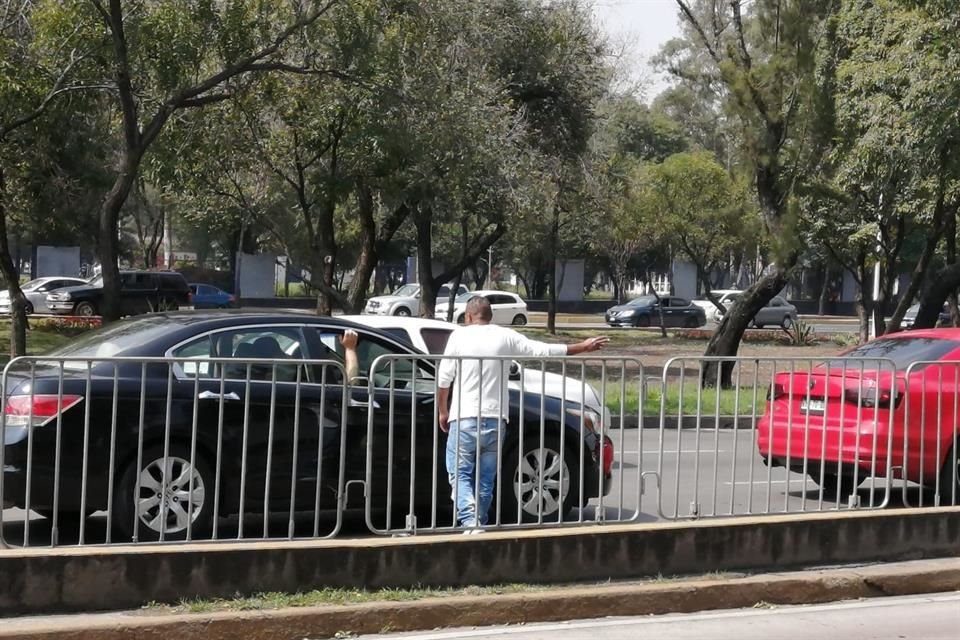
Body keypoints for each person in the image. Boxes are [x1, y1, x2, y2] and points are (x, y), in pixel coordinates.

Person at [436, 297, 608, 532]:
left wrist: (442, 411)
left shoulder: (459, 336)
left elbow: (444, 378)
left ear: (468, 316)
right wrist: (582, 346)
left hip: (464, 417)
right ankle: (477, 524)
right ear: (490, 316)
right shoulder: (504, 336)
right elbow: (542, 350)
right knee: (486, 477)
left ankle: (470, 519)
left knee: (460, 474)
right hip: (496, 418)